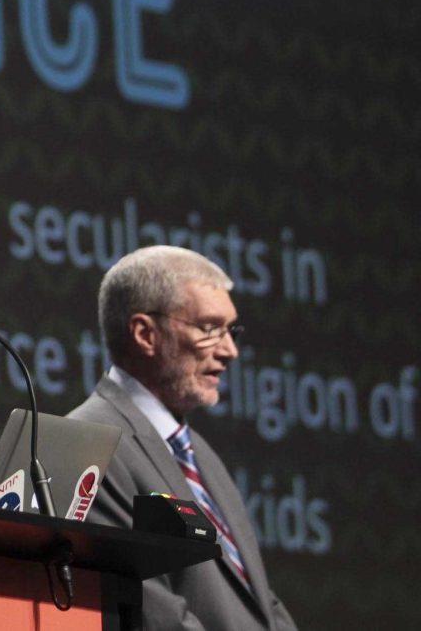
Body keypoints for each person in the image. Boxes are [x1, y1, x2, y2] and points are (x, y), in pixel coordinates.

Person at [68, 246, 297, 630]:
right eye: (210, 329)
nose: (230, 351)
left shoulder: (200, 455)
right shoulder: (90, 442)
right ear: (145, 334)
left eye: (231, 331)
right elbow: (148, 608)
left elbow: (261, 600)